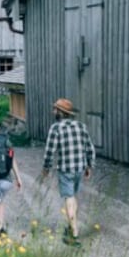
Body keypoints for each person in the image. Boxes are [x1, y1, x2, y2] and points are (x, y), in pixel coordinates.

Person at [40, 98, 95, 247]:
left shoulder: (56, 128)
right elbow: (89, 147)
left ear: (60, 112)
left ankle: (74, 234)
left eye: (55, 109)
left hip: (66, 169)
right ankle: (71, 227)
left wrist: (46, 168)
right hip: (79, 168)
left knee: (69, 199)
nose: (53, 112)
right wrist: (89, 165)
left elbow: (49, 151)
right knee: (73, 197)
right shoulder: (81, 126)